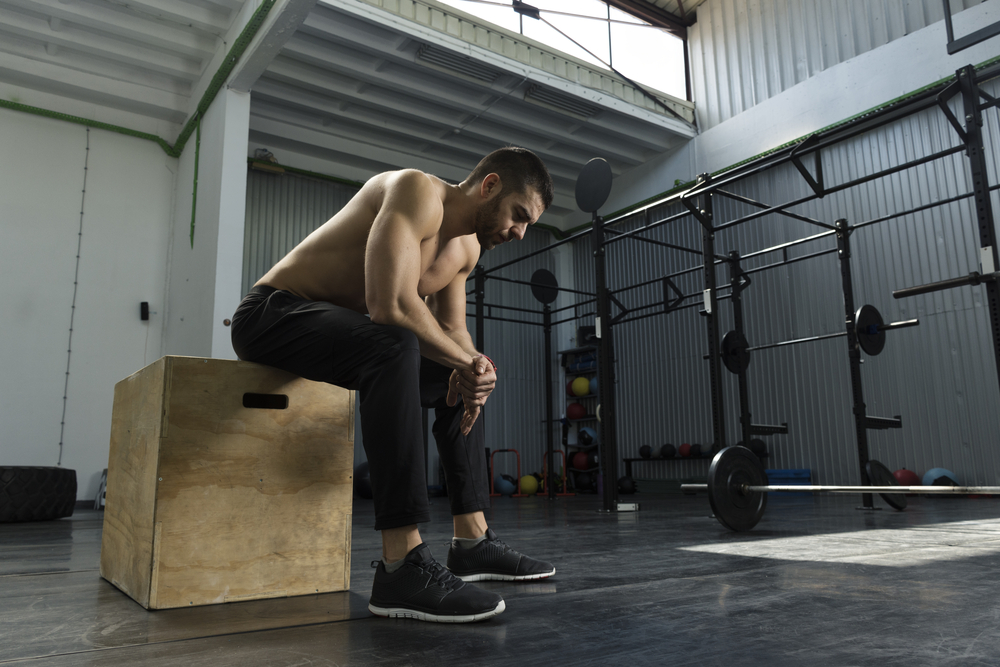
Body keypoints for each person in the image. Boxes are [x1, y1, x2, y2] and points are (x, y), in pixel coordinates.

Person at [231, 147, 556, 623]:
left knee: (459, 375)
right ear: (489, 186)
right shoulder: (417, 191)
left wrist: (477, 370)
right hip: (271, 314)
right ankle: (400, 565)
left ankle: (472, 541)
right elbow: (389, 305)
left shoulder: (465, 250)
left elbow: (454, 333)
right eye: (518, 215)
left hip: (343, 332)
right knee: (396, 343)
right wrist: (467, 361)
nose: (519, 232)